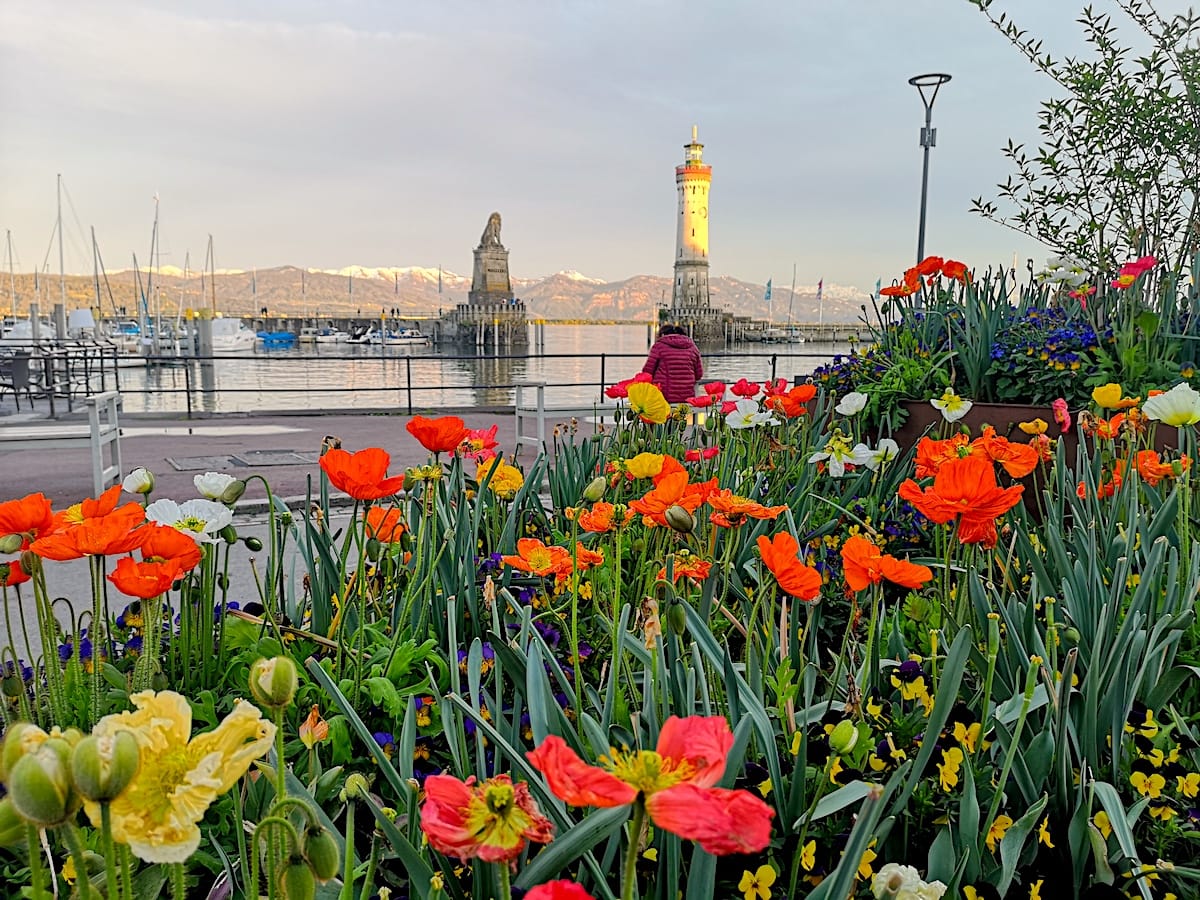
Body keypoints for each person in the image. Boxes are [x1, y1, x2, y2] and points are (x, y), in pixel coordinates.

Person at [642, 324, 703, 403]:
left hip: (663, 396)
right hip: (687, 397)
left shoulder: (659, 346)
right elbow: (699, 374)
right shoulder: (693, 348)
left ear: (663, 334)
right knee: (682, 415)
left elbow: (647, 371)